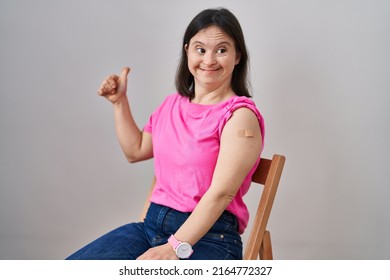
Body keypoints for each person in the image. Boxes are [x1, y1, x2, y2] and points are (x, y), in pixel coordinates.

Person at [66, 8, 264, 260]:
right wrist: (119, 103)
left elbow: (221, 194)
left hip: (209, 238)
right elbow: (135, 150)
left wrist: (175, 247)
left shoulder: (239, 116)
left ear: (237, 56)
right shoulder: (172, 105)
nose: (209, 60)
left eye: (222, 50)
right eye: (200, 49)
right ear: (187, 51)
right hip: (150, 228)